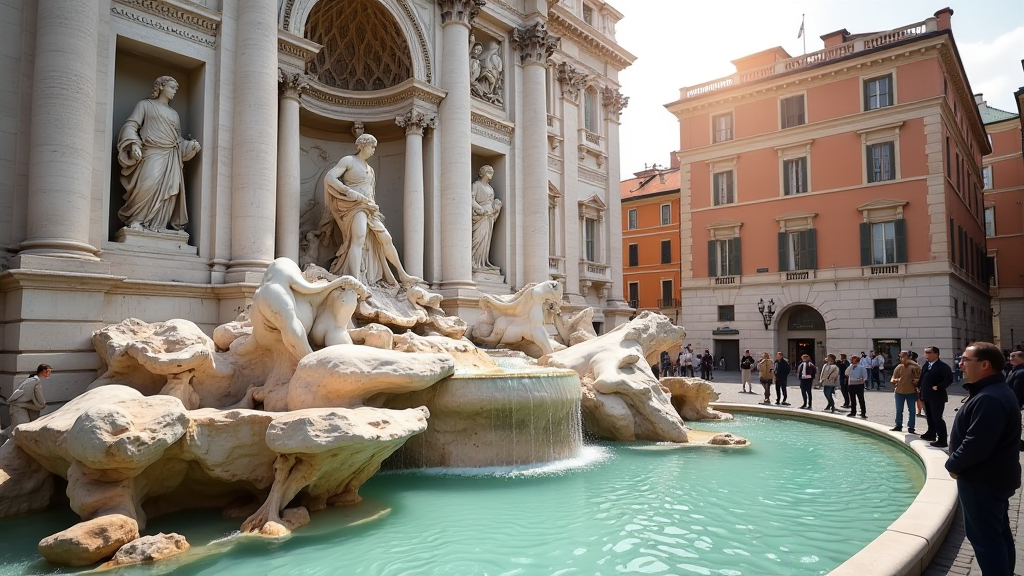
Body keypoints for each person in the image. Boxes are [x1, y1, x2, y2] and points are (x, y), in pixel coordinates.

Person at [945, 342, 1021, 576]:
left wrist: (952, 464)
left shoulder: (989, 397)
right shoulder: (993, 392)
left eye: (966, 360)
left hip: (981, 480)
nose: (961, 364)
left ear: (985, 365)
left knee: (986, 540)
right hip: (993, 477)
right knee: (998, 534)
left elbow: (976, 445)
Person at [318, 134, 422, 288]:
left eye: (375, 146)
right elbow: (330, 178)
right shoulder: (349, 161)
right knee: (358, 239)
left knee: (386, 239)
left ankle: (402, 275)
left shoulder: (370, 170)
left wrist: (372, 205)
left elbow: (369, 192)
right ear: (362, 145)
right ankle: (356, 280)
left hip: (368, 208)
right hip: (354, 206)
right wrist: (351, 193)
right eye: (371, 146)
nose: (374, 149)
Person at [116, 75, 200, 233]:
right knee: (147, 185)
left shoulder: (174, 114)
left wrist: (190, 146)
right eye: (172, 87)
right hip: (151, 152)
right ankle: (137, 220)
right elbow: (131, 125)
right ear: (161, 86)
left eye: (176, 89)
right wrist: (134, 143)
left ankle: (158, 225)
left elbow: (178, 139)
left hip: (170, 156)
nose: (175, 91)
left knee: (169, 191)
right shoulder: (145, 105)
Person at [1, 364, 50, 440]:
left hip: (20, 406)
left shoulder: (31, 380)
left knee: (24, 429)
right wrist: (43, 403)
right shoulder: (35, 382)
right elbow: (39, 396)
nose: (49, 373)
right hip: (18, 407)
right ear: (43, 371)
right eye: (48, 371)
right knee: (21, 430)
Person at [918, 346, 954, 448]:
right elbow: (922, 377)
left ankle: (942, 439)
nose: (926, 355)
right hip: (926, 396)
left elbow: (949, 379)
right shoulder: (927, 365)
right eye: (925, 353)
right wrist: (919, 388)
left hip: (937, 397)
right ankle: (931, 433)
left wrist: (938, 386)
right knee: (929, 416)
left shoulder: (942, 366)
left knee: (937, 418)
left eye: (929, 353)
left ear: (936, 354)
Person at [471, 165, 502, 272]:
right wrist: (480, 209)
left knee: (486, 241)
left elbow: (491, 202)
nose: (491, 174)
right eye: (489, 171)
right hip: (480, 216)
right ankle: (473, 261)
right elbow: (471, 199)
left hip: (489, 216)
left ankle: (482, 262)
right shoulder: (476, 185)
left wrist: (496, 206)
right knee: (478, 239)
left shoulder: (490, 188)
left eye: (492, 172)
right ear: (482, 172)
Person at [889, 350, 921, 433]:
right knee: (899, 409)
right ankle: (898, 425)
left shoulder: (914, 367)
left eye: (903, 356)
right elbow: (892, 379)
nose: (901, 358)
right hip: (899, 391)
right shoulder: (899, 367)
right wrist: (896, 380)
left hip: (910, 391)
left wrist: (916, 381)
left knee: (912, 410)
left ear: (908, 356)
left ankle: (911, 427)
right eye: (900, 356)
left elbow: (919, 373)